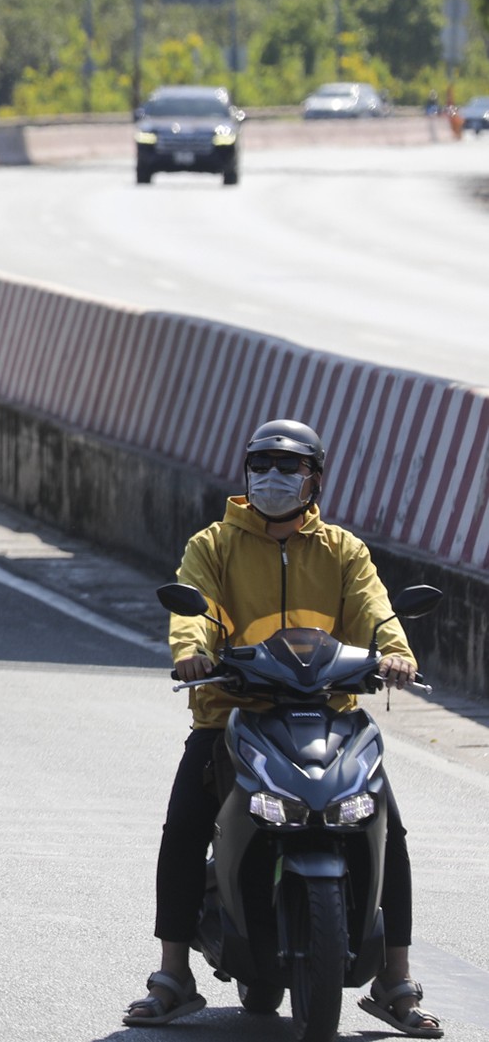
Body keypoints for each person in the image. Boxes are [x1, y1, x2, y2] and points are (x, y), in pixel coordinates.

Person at [122, 421, 440, 1035]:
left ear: (314, 479)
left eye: (289, 468)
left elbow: (375, 609)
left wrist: (394, 653)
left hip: (331, 714)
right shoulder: (213, 545)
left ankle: (394, 979)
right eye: (262, 465)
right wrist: (192, 651)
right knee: (185, 824)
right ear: (246, 473)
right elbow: (198, 609)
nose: (274, 477)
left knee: (388, 827)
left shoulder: (343, 549)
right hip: (232, 714)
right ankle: (172, 977)